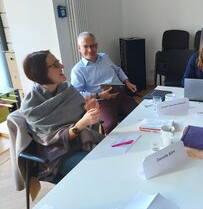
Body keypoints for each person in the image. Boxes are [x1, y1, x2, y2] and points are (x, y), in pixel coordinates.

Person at [19, 50, 104, 182]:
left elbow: (86, 123)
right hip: (59, 156)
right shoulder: (32, 107)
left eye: (58, 61)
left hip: (82, 143)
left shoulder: (67, 89)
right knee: (98, 170)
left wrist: (91, 113)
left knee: (114, 155)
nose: (62, 66)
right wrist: (82, 123)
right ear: (41, 72)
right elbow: (52, 140)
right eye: (55, 64)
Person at [71, 32, 138, 134]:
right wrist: (99, 95)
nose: (90, 50)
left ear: (96, 46)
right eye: (85, 46)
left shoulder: (105, 57)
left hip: (120, 94)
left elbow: (118, 70)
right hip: (101, 101)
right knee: (110, 124)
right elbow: (77, 93)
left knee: (139, 113)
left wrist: (127, 82)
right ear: (79, 48)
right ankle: (113, 145)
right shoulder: (77, 70)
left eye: (92, 46)